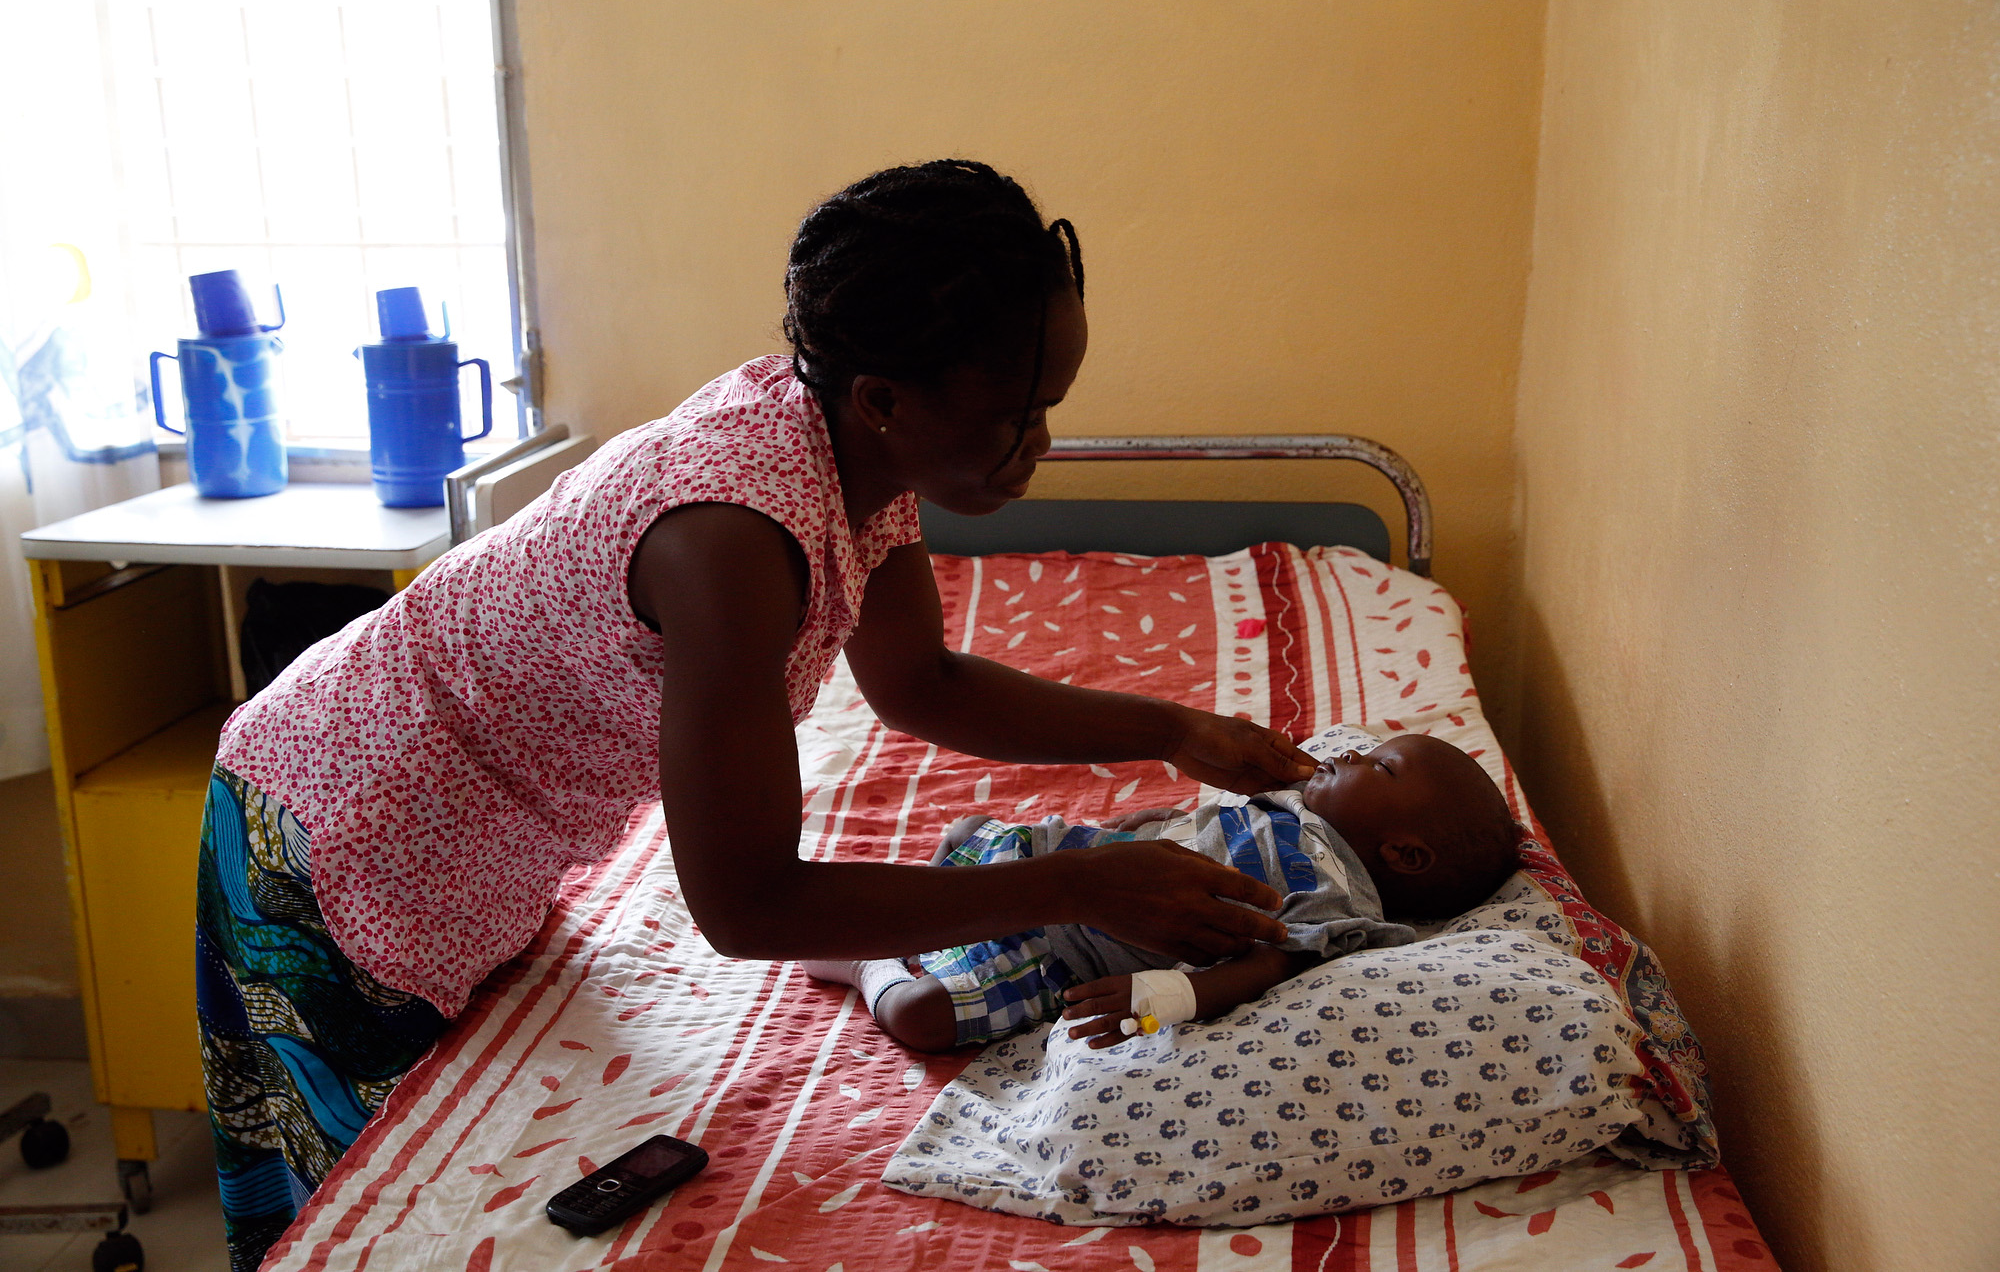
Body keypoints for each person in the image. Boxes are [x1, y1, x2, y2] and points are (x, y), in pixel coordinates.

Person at [193, 160, 1316, 1271]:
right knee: (366, 1214)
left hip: (485, 835)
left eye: (1049, 410)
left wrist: (1167, 730)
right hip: (341, 829)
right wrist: (1078, 882)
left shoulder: (845, 456)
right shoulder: (731, 541)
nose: (1040, 444)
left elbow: (921, 682)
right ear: (883, 399)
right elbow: (745, 903)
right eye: (1014, 416)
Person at [805, 728, 1520, 1053]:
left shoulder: (1336, 897)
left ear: (1405, 853)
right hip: (1058, 861)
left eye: (1381, 766)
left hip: (1066, 955)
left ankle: (869, 965)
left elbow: (1271, 965)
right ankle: (928, 915)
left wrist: (1156, 1001)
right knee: (968, 829)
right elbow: (1182, 821)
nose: (1351, 751)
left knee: (926, 1016)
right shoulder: (1291, 803)